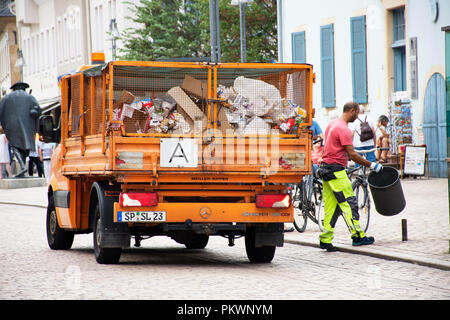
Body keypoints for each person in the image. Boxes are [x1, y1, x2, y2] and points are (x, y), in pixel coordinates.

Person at [318, 102, 383, 252]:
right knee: (349, 203)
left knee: (331, 206)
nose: (358, 116)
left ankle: (325, 239)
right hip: (336, 171)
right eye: (357, 113)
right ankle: (358, 236)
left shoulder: (332, 124)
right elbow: (352, 155)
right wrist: (372, 165)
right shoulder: (344, 129)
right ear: (352, 111)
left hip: (326, 169)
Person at [0, 82, 41, 177]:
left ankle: (23, 168)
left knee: (15, 146)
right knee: (24, 148)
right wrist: (33, 112)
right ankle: (23, 167)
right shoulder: (30, 97)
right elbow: (38, 110)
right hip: (27, 127)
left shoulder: (6, 98)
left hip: (12, 126)